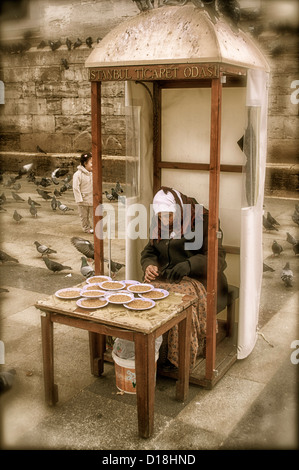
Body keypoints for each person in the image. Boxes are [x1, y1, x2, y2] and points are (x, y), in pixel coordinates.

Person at [140, 186, 228, 370]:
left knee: (178, 303)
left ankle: (176, 357)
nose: (164, 221)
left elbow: (217, 259)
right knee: (144, 296)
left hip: (200, 279)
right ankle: (149, 350)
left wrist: (189, 264)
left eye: (169, 216)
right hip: (166, 275)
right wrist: (149, 264)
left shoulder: (204, 220)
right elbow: (149, 251)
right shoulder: (159, 221)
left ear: (180, 208)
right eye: (160, 216)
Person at [73, 152, 93, 234]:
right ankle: (86, 227)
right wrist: (79, 199)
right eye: (91, 163)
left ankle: (96, 227)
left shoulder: (93, 173)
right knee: (84, 216)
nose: (93, 165)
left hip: (92, 199)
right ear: (85, 163)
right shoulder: (78, 175)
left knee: (94, 215)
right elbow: (75, 187)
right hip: (82, 200)